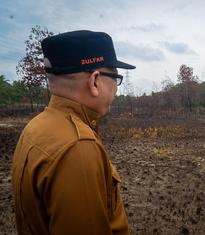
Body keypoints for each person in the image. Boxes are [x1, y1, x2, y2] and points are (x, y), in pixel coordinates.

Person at [12, 30, 135, 235]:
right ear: (95, 81)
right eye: (115, 77)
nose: (116, 88)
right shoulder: (77, 147)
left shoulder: (36, 128)